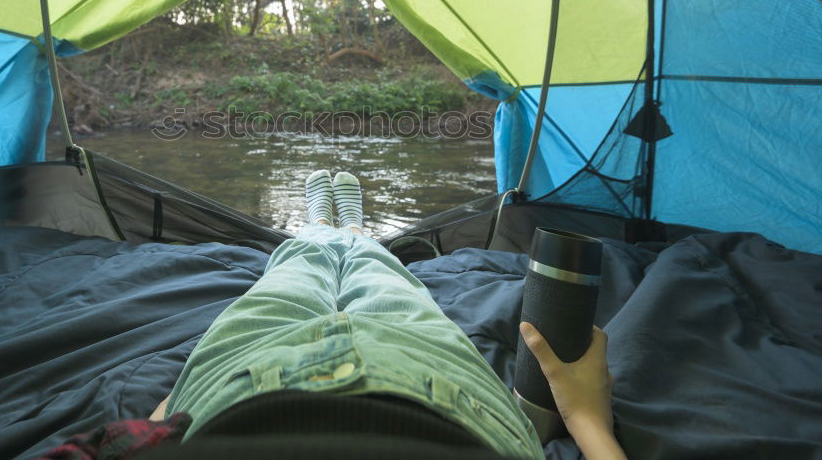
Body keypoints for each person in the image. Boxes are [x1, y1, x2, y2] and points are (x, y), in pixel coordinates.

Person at [35, 171, 627, 460]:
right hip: (450, 404)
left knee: (295, 266)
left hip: (239, 392)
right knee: (382, 274)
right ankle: (354, 229)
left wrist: (170, 414)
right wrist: (588, 422)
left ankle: (321, 225)